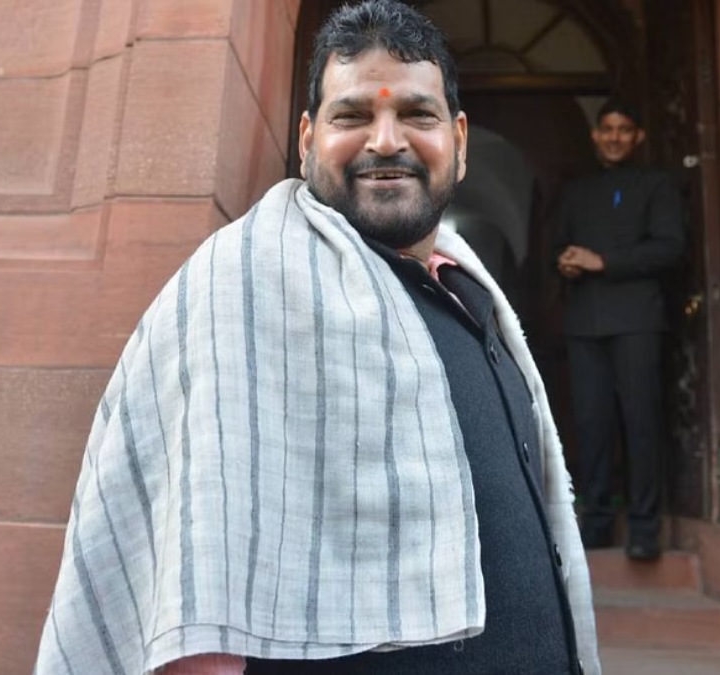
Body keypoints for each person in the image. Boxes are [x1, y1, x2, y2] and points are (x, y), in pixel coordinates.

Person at [35, 2, 599, 673]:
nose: (385, 140)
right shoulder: (243, 284)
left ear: (460, 140)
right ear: (306, 139)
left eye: (417, 115)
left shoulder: (475, 297)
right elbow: (196, 577)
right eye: (352, 115)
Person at [550, 98, 686, 561]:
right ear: (595, 135)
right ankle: (597, 522)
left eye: (623, 129)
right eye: (606, 129)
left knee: (641, 421)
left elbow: (670, 248)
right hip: (585, 321)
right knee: (591, 425)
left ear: (638, 137)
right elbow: (556, 246)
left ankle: (645, 527)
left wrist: (604, 261)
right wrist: (566, 263)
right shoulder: (576, 191)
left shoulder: (657, 185)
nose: (614, 137)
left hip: (638, 319)